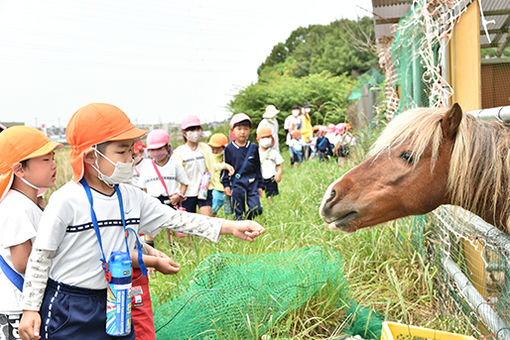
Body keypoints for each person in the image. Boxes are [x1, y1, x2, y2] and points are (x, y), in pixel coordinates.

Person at [18, 103, 265, 340]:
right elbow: (41, 258)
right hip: (70, 306)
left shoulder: (131, 195)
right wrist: (30, 308)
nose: (131, 157)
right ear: (91, 157)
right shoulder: (66, 200)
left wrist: (231, 226)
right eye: (122, 151)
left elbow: (176, 218)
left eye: (131, 150)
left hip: (116, 299)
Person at [0, 126, 62, 340]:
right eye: (46, 160)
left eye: (53, 157)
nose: (54, 165)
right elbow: (23, 263)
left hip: (25, 304)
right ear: (19, 170)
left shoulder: (30, 203)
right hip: (16, 309)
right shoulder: (16, 207)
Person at [138, 129, 189, 245]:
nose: (156, 153)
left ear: (167, 148)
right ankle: (150, 254)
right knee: (149, 229)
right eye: (152, 150)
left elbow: (184, 183)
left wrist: (178, 196)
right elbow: (143, 188)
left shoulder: (175, 164)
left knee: (171, 228)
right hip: (152, 200)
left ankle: (174, 250)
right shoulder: (146, 166)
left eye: (159, 149)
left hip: (170, 199)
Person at [172, 115, 229, 216]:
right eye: (192, 130)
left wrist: (225, 166)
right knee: (189, 223)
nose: (196, 132)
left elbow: (212, 166)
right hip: (187, 193)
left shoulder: (205, 148)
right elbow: (175, 174)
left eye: (198, 129)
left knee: (206, 219)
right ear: (184, 133)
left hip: (204, 189)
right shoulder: (179, 152)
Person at [221, 113, 263, 220]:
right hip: (237, 183)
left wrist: (260, 185)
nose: (242, 132)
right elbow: (225, 167)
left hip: (252, 182)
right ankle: (240, 229)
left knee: (257, 208)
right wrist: (226, 184)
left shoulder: (253, 147)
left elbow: (258, 167)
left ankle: (248, 220)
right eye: (239, 129)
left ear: (250, 130)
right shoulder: (229, 148)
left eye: (246, 129)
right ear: (233, 130)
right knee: (239, 211)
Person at [207, 133, 234, 217]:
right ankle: (211, 220)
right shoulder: (209, 157)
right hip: (215, 188)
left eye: (217, 149)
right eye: (213, 149)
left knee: (230, 211)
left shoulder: (228, 156)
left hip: (227, 188)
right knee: (213, 207)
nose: (215, 151)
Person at [256, 127, 283, 198]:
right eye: (263, 137)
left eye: (268, 137)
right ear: (258, 140)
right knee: (258, 197)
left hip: (271, 178)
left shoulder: (274, 152)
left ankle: (271, 207)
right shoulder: (255, 153)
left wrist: (279, 174)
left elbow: (279, 165)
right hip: (259, 178)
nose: (266, 139)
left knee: (271, 197)